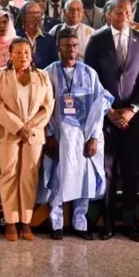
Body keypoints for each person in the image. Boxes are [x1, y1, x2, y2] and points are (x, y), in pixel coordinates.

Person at [83, 0, 139, 242]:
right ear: (109, 14)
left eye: (127, 11)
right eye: (118, 11)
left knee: (131, 170)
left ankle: (129, 221)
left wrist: (132, 109)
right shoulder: (97, 40)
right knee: (108, 171)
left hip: (133, 118)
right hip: (106, 117)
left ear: (131, 13)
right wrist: (110, 110)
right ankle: (108, 221)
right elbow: (91, 78)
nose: (123, 14)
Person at [41, 29, 111, 241]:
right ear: (58, 48)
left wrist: (94, 137)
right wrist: (49, 135)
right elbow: (41, 106)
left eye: (74, 45)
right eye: (66, 46)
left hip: (83, 136)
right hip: (59, 136)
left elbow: (101, 105)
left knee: (84, 179)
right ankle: (57, 223)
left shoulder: (89, 73)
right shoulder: (48, 73)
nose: (71, 50)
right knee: (58, 179)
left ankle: (80, 224)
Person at [0, 38, 53, 241]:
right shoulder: (0, 75)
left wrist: (30, 126)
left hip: (33, 134)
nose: (22, 56)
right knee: (8, 174)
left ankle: (25, 221)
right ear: (10, 54)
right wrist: (18, 127)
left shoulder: (42, 76)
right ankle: (10, 221)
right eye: (17, 52)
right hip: (8, 133)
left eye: (26, 52)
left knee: (29, 176)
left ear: (31, 53)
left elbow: (47, 106)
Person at [17, 1, 58, 69]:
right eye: (31, 13)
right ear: (23, 16)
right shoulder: (15, 36)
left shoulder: (49, 39)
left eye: (38, 13)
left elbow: (53, 65)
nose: (36, 16)